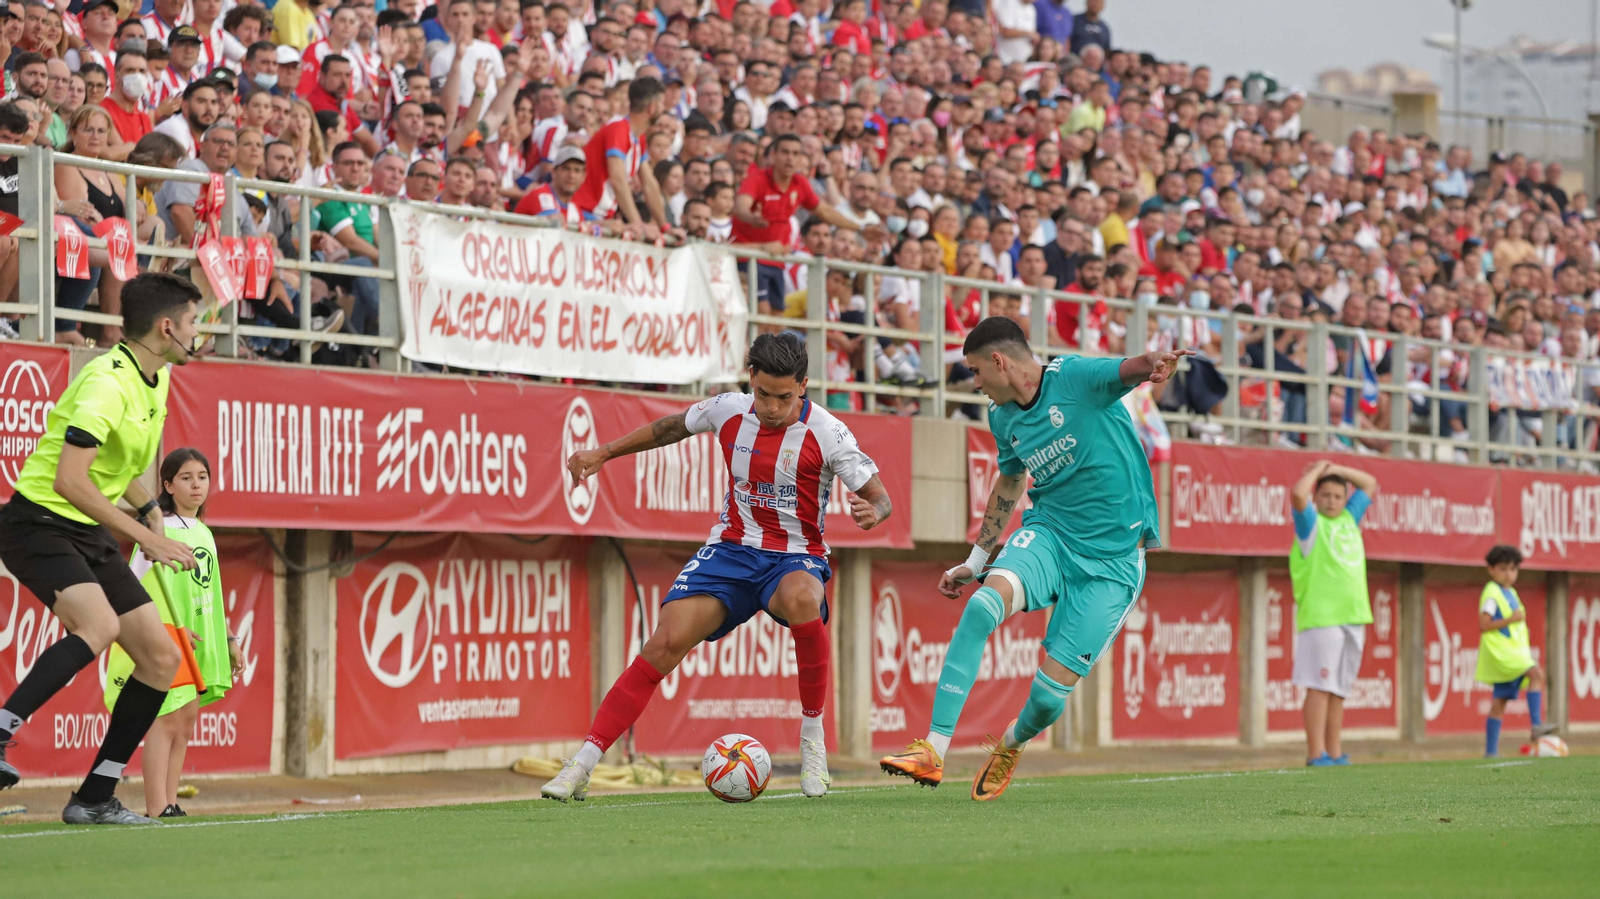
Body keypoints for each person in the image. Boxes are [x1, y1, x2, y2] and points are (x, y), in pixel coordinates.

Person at [541, 333, 894, 803]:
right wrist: (603, 452)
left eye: (784, 397)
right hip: (730, 551)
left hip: (794, 557)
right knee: (663, 644)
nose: (771, 407)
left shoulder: (827, 433)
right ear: (751, 379)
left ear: (804, 386)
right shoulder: (730, 408)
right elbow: (670, 428)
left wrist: (875, 512)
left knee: (804, 601)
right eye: (763, 394)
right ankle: (581, 765)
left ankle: (813, 743)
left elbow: (880, 496)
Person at [879, 316, 1188, 800]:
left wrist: (1154, 364)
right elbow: (1010, 480)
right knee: (982, 606)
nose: (975, 384)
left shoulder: (1076, 379)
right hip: (1050, 534)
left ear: (999, 362)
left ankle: (1011, 743)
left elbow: (1130, 369)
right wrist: (977, 561)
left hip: (1113, 562)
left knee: (1046, 700)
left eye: (977, 372)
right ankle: (932, 750)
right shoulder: (1002, 418)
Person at [0, 272, 204, 825]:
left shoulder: (155, 379)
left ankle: (93, 797)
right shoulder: (106, 383)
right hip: (38, 521)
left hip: (86, 529)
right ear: (168, 328)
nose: (199, 333)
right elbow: (70, 481)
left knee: (161, 660)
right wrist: (146, 540)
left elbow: (118, 471)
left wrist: (151, 512)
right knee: (101, 627)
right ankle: (4, 727)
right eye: (193, 323)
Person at [104, 447, 243, 819]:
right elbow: (132, 584)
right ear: (167, 484)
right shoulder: (157, 529)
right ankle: (156, 806)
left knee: (186, 721)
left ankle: (170, 803)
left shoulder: (204, 531)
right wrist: (161, 632)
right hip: (168, 638)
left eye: (202, 477)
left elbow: (210, 587)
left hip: (202, 638)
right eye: (185, 477)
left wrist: (228, 639)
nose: (196, 485)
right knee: (165, 721)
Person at [1288, 459, 1379, 767]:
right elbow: (1298, 495)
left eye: (1338, 496)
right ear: (1318, 498)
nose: (1332, 501)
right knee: (1320, 686)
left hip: (1354, 616)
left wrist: (1336, 467)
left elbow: (1369, 483)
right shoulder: (1311, 525)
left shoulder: (1349, 520)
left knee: (1339, 690)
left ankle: (1335, 753)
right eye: (1325, 495)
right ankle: (1316, 754)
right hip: (1322, 618)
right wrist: (1316, 471)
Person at [1475, 545, 1557, 757]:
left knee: (1499, 702)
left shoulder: (1510, 592)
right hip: (1502, 654)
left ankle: (1490, 752)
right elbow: (1484, 625)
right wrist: (1511, 619)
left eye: (1513, 569)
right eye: (1503, 569)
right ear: (1491, 570)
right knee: (1536, 674)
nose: (1509, 574)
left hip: (1512, 653)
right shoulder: (1492, 594)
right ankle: (1536, 725)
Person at [570, 76, 670, 239]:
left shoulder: (639, 138)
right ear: (652, 107)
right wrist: (638, 224)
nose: (664, 109)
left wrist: (665, 226)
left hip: (601, 217)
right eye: (662, 104)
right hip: (583, 212)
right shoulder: (618, 129)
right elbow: (618, 179)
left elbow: (649, 184)